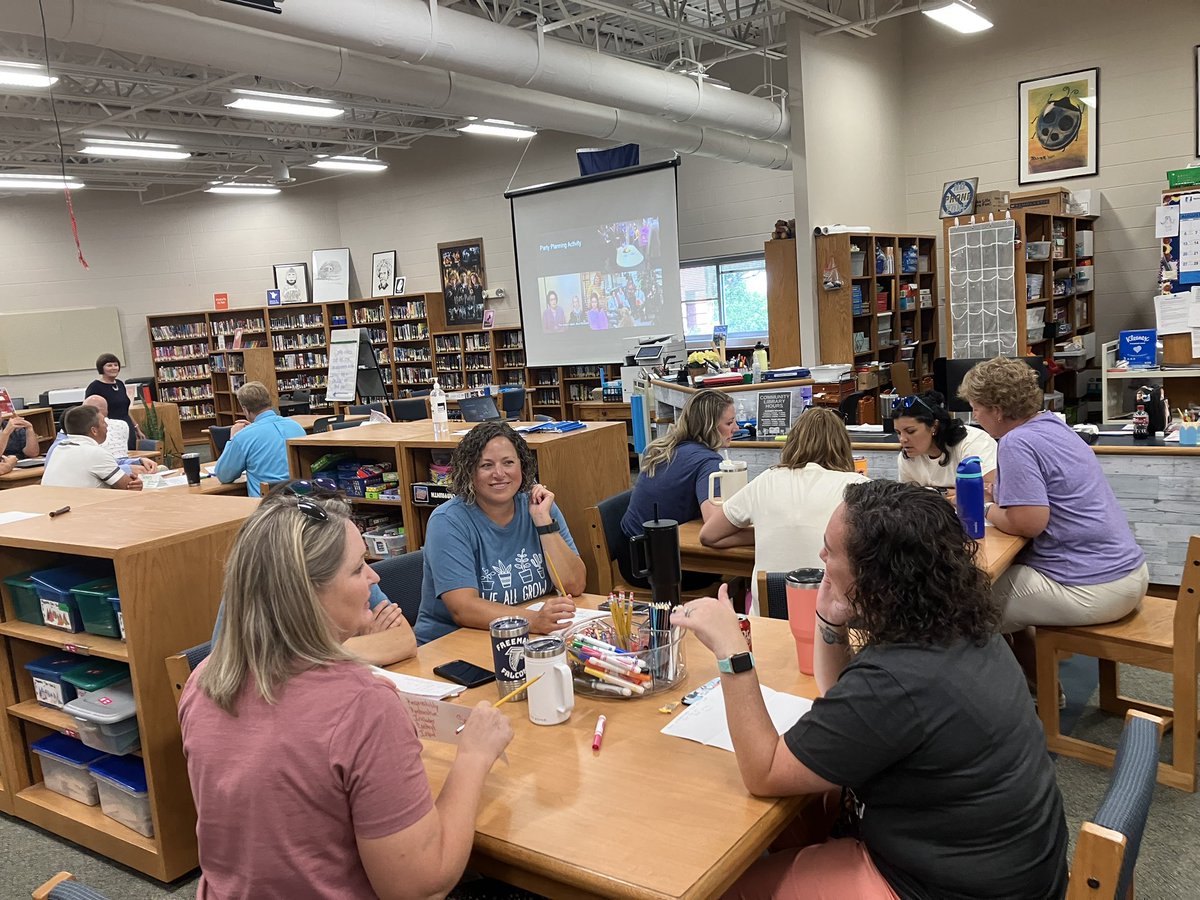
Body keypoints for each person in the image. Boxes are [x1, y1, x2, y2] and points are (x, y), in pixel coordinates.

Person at [672, 480, 1069, 899]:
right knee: (804, 821)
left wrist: (733, 652)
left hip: (943, 887)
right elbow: (840, 698)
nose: (821, 556)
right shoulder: (958, 627)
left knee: (721, 890)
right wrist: (829, 618)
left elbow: (764, 771)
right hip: (1011, 868)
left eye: (831, 550)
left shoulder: (898, 681)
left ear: (876, 576)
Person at [181, 494, 513, 899]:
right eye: (358, 569)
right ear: (308, 595)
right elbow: (421, 886)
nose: (375, 579)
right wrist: (475, 755)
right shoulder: (363, 706)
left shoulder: (203, 680)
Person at [958, 356, 1148, 676]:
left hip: (1092, 585)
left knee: (962, 606)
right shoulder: (1052, 426)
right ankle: (1035, 684)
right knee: (994, 589)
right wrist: (1001, 495)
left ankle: (1008, 703)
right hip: (1128, 573)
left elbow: (1029, 523)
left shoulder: (1016, 442)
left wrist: (986, 508)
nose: (974, 415)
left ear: (998, 410)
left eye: (977, 407)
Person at [414, 421, 586, 644]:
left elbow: (575, 585)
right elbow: (463, 609)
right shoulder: (448, 521)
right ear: (469, 471)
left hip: (521, 639)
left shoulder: (541, 506)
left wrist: (544, 524)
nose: (499, 473)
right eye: (486, 465)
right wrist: (533, 621)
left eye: (508, 462)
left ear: (522, 466)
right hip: (453, 643)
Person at [210, 482, 416, 667]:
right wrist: (355, 644)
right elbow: (270, 663)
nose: (373, 576)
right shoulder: (254, 593)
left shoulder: (350, 569)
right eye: (357, 568)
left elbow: (403, 639)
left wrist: (327, 651)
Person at [699, 407, 867, 615]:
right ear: (843, 446)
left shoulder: (767, 480)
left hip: (767, 624)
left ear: (793, 441)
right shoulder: (858, 487)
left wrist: (765, 531)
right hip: (834, 622)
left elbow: (709, 535)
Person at [622, 388, 735, 537]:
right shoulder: (708, 462)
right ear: (709, 427)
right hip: (652, 550)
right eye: (729, 423)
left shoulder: (665, 448)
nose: (736, 428)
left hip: (630, 539)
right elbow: (713, 523)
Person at [213, 381, 306, 498]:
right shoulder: (296, 426)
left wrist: (233, 438)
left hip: (267, 506)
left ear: (245, 409)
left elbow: (224, 475)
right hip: (301, 499)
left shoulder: (243, 437)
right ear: (269, 401)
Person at [894, 391, 996, 489]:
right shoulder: (907, 458)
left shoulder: (974, 442)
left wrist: (938, 493)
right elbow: (908, 499)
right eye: (898, 432)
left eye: (911, 431)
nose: (902, 439)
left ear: (934, 426)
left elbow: (990, 490)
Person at [45, 398, 158, 476]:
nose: (106, 425)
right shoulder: (64, 448)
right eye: (103, 422)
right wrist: (129, 469)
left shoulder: (79, 443)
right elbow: (94, 470)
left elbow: (110, 463)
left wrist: (138, 461)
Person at [42, 405, 142, 490]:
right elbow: (129, 487)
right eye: (103, 422)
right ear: (94, 430)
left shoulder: (59, 449)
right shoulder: (95, 453)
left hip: (54, 506)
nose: (107, 426)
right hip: (82, 509)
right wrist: (137, 483)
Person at [86, 353, 140, 452]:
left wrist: (136, 427)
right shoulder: (95, 387)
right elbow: (89, 411)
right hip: (109, 429)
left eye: (116, 365)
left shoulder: (120, 384)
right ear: (101, 368)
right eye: (109, 365)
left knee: (131, 453)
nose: (113, 368)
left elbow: (125, 409)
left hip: (127, 426)